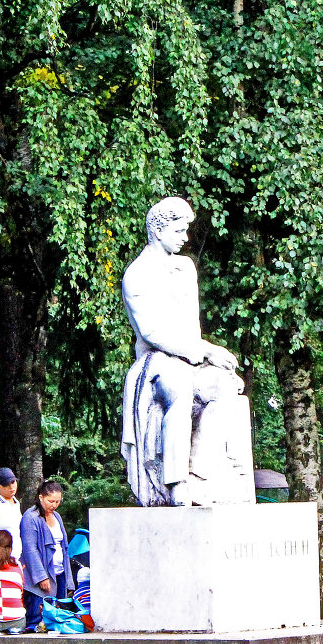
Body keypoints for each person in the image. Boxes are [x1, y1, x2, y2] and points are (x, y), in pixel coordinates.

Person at [121, 197, 249, 507]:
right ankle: (176, 483)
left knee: (225, 386)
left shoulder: (184, 268)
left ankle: (199, 474)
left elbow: (191, 327)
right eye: (179, 231)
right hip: (155, 362)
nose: (185, 238)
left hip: (190, 358)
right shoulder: (136, 274)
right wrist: (205, 351)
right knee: (179, 390)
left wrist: (209, 358)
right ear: (158, 230)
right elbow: (153, 333)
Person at [19, 480, 75, 633]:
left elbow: (64, 548)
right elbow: (30, 550)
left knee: (56, 618)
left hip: (59, 573)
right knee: (37, 620)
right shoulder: (30, 517)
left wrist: (69, 580)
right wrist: (41, 577)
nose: (54, 505)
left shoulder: (57, 516)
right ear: (41, 497)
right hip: (40, 578)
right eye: (51, 501)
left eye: (57, 501)